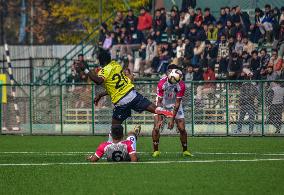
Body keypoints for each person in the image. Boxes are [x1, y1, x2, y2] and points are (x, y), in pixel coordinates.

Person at [77, 47, 173, 126]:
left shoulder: (104, 71)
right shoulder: (116, 65)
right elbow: (115, 86)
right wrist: (101, 94)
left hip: (121, 101)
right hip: (132, 94)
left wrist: (85, 69)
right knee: (153, 108)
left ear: (100, 60)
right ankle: (165, 111)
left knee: (114, 128)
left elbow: (98, 81)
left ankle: (114, 146)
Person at [152, 65, 193, 158]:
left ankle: (185, 150)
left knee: (182, 128)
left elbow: (178, 103)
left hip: (174, 104)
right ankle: (156, 151)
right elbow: (159, 102)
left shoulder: (181, 85)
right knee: (156, 128)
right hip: (162, 104)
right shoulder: (161, 83)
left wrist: (171, 120)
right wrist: (160, 119)